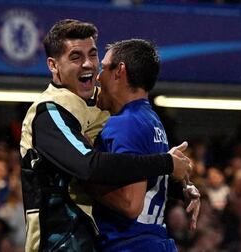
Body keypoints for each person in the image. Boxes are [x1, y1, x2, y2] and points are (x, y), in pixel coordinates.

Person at [20, 19, 193, 251]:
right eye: (75, 57)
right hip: (60, 243)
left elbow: (130, 171)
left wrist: (176, 187)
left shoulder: (109, 107)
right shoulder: (49, 112)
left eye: (92, 55)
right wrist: (166, 164)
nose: (89, 65)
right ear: (53, 65)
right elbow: (89, 166)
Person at [87, 39, 200, 251]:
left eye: (103, 68)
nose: (98, 77)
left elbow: (130, 203)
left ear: (120, 71)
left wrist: (81, 176)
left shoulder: (125, 124)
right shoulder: (150, 119)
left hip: (129, 245)